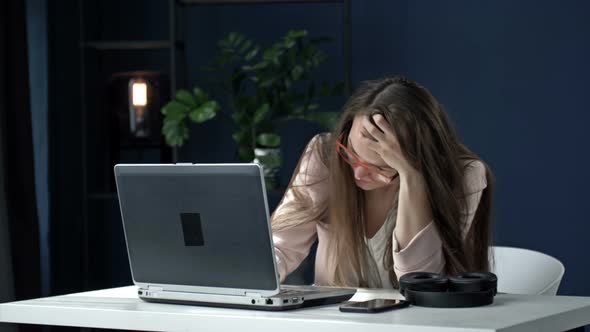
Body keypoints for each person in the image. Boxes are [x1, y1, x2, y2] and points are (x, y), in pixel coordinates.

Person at [271, 76, 493, 289]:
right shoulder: (327, 156)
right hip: (335, 321)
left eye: (378, 169)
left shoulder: (464, 175)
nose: (357, 174)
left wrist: (411, 177)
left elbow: (418, 282)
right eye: (351, 153)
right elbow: (281, 247)